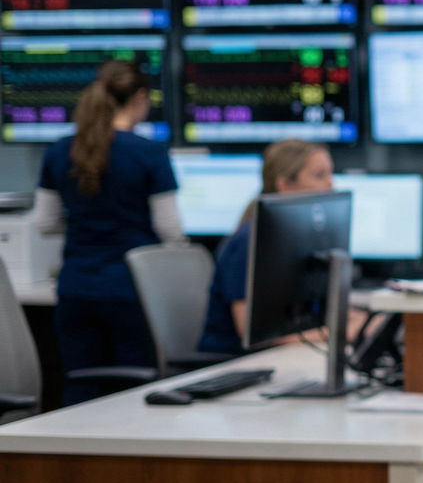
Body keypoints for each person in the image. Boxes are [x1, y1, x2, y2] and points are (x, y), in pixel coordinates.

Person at [33, 60, 183, 404]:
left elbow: (45, 222)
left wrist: (87, 222)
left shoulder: (60, 150)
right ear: (140, 98)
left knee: (80, 384)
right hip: (133, 289)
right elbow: (169, 229)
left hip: (76, 287)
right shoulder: (149, 153)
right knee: (134, 390)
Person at [196, 139, 335, 355]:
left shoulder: (299, 237)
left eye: (330, 174)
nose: (330, 185)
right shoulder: (249, 242)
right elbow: (251, 332)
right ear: (285, 185)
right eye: (319, 176)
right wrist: (336, 332)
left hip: (278, 356)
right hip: (234, 361)